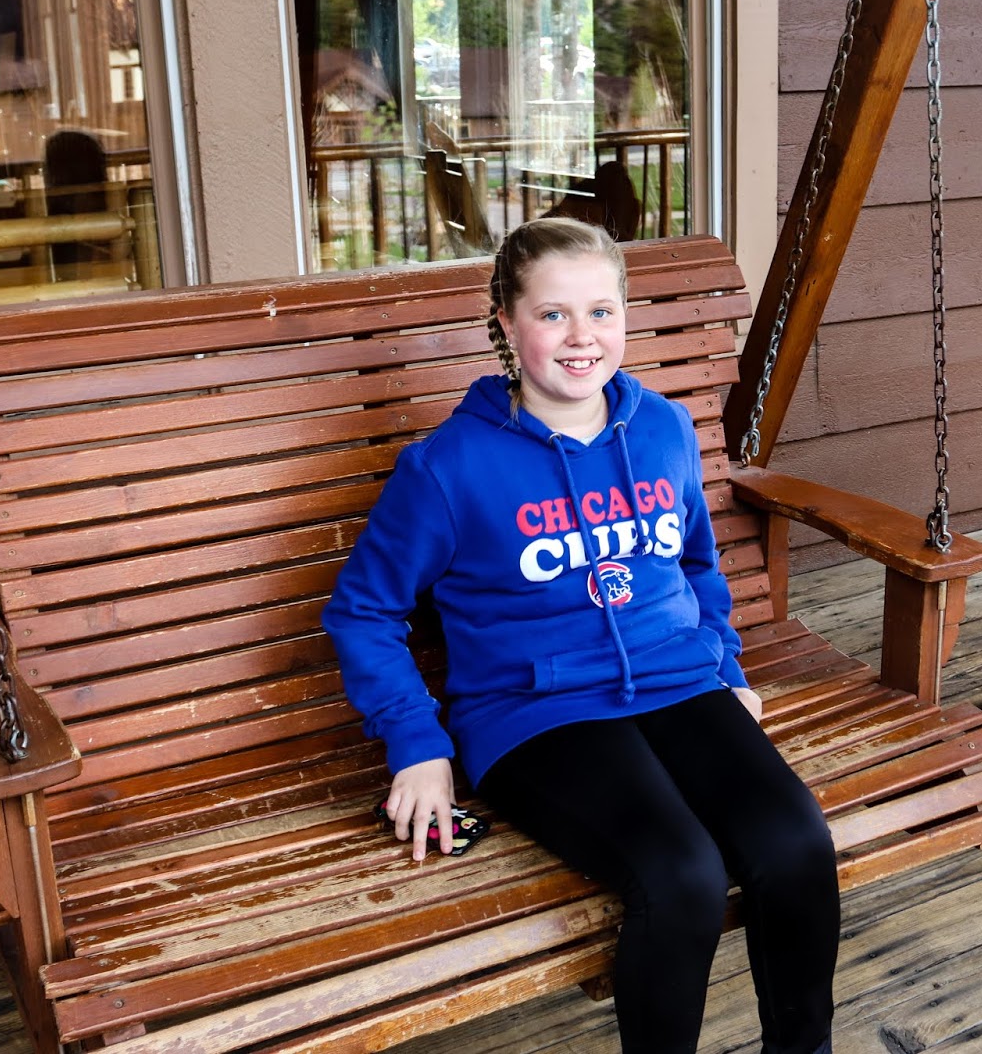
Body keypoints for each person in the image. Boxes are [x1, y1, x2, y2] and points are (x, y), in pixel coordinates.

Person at [322, 217, 840, 1054]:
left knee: (797, 842)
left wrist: (724, 664)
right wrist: (417, 744)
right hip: (534, 712)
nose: (581, 336)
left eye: (601, 311)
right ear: (505, 321)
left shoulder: (663, 429)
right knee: (682, 874)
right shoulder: (448, 467)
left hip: (678, 683)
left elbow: (696, 563)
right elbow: (363, 610)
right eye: (552, 313)